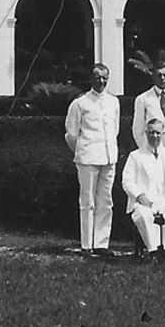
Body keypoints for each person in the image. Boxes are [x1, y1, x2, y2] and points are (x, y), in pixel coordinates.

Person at [64, 63, 120, 256]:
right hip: (88, 158)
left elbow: (115, 130)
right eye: (97, 78)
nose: (101, 81)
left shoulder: (114, 102)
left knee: (106, 201)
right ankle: (86, 245)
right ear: (90, 79)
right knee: (87, 202)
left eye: (104, 78)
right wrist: (83, 149)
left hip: (109, 157)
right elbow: (71, 134)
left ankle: (101, 244)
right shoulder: (80, 103)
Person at [121, 117, 165, 258]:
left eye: (158, 133)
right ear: (146, 133)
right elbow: (127, 181)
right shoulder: (135, 156)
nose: (154, 136)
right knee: (143, 215)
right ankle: (153, 251)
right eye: (151, 132)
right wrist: (139, 195)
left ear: (163, 134)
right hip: (145, 201)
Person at [132, 61, 165, 157]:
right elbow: (138, 128)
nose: (162, 78)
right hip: (151, 150)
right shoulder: (143, 99)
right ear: (153, 77)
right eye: (159, 75)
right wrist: (145, 147)